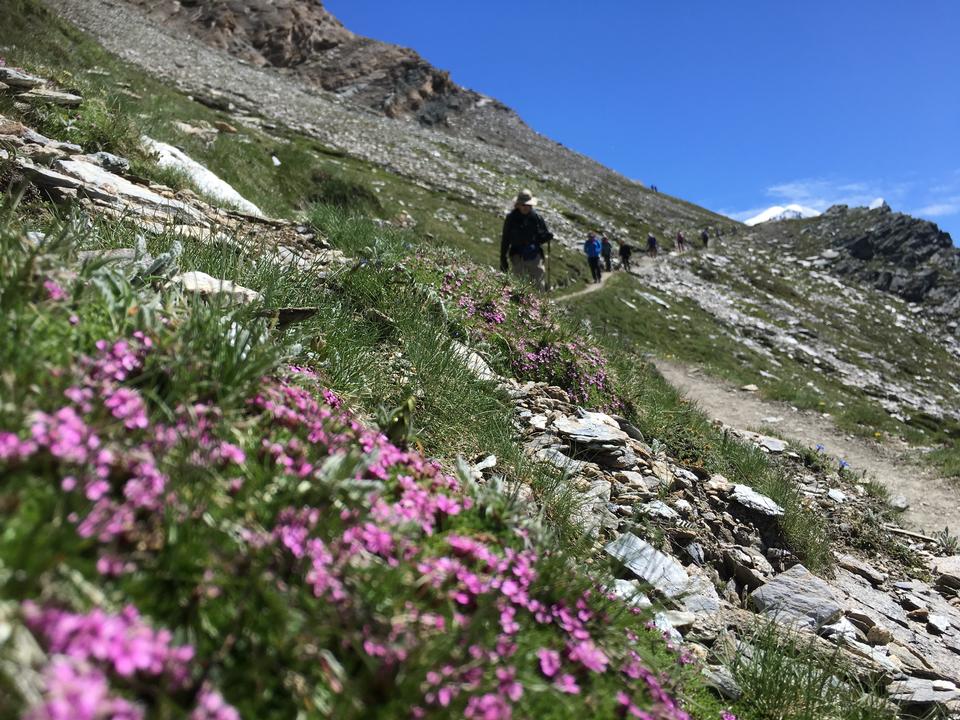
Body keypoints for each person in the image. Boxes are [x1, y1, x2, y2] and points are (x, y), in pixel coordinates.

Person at [500, 189, 553, 289]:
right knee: (520, 285)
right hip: (517, 256)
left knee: (538, 283)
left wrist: (546, 236)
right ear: (518, 204)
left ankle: (539, 303)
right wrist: (503, 258)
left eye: (528, 205)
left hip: (535, 256)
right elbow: (506, 238)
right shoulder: (511, 218)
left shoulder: (537, 217)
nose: (525, 207)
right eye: (523, 204)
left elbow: (542, 236)